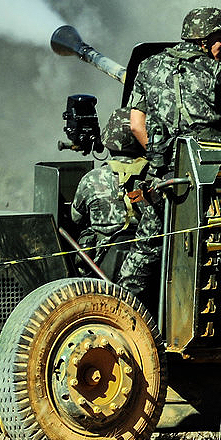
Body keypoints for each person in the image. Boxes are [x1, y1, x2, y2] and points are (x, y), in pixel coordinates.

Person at [127, 7, 221, 177]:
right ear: (203, 40)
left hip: (164, 171)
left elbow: (136, 125)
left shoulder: (147, 65)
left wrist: (160, 156)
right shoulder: (216, 69)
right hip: (208, 166)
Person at [70, 108, 161, 300]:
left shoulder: (91, 179)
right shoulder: (155, 179)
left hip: (99, 269)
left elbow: (75, 217)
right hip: (148, 271)